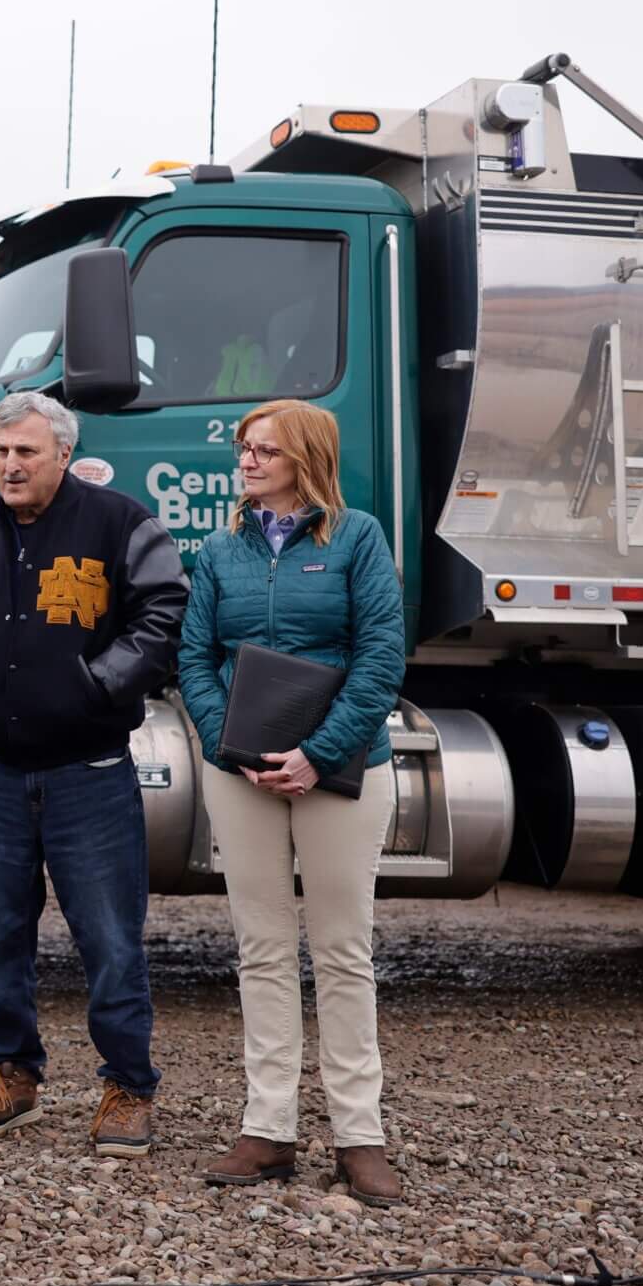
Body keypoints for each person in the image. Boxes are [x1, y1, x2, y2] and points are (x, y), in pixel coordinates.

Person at [0, 392, 188, 1156]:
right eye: (2, 452)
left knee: (110, 941)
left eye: (26, 452)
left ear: (63, 455)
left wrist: (96, 685)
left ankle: (129, 1087)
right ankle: (12, 1078)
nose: (10, 465)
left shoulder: (120, 523)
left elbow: (163, 613)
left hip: (89, 774)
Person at [177, 398, 406, 1207]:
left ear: (304, 457)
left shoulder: (357, 538)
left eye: (263, 450)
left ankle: (359, 1138)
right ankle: (268, 1129)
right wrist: (230, 748)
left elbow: (383, 654)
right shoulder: (217, 551)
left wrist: (318, 754)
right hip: (243, 778)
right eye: (244, 449)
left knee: (343, 952)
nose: (246, 461)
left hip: (340, 771)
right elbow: (195, 659)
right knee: (262, 950)